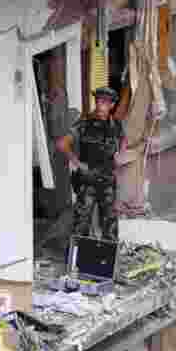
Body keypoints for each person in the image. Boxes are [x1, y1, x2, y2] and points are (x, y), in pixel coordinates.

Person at [56, 87, 127, 242]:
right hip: (88, 181)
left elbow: (123, 143)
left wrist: (119, 157)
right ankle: (76, 262)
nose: (101, 105)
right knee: (81, 224)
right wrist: (78, 163)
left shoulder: (116, 125)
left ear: (112, 105)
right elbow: (62, 144)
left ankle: (107, 262)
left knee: (110, 225)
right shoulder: (84, 123)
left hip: (107, 180)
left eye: (105, 102)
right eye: (99, 101)